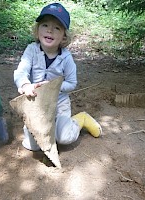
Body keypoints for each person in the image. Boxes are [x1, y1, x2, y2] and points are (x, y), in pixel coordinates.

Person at [14, 3, 102, 151]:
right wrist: (24, 85)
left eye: (57, 28)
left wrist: (54, 86)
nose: (50, 30)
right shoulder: (31, 50)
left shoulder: (66, 58)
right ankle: (46, 128)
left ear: (64, 36)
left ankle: (81, 119)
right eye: (45, 25)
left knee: (63, 138)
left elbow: (72, 82)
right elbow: (21, 71)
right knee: (32, 146)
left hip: (59, 103)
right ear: (37, 30)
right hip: (37, 104)